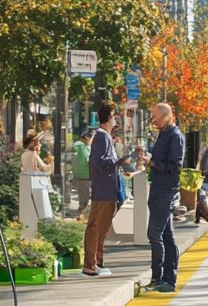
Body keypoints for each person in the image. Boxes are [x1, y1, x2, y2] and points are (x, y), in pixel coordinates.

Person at [135, 102, 184, 293]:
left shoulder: (175, 136)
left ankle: (158, 278)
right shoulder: (163, 134)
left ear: (166, 116)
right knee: (166, 235)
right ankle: (168, 278)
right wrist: (149, 160)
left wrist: (152, 162)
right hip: (158, 190)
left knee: (154, 234)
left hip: (166, 191)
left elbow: (175, 167)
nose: (152, 120)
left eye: (155, 116)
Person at [82, 105, 132, 278]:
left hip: (106, 190)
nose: (116, 120)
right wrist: (118, 162)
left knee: (101, 228)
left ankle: (96, 262)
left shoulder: (105, 137)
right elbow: (99, 162)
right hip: (103, 190)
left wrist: (118, 163)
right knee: (96, 227)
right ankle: (91, 264)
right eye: (114, 117)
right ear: (109, 118)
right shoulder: (102, 138)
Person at [71, 129, 92, 213]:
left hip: (80, 175)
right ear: (86, 138)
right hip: (84, 175)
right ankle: (82, 214)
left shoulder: (78, 145)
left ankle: (82, 212)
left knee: (83, 196)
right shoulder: (81, 146)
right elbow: (85, 161)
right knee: (85, 198)